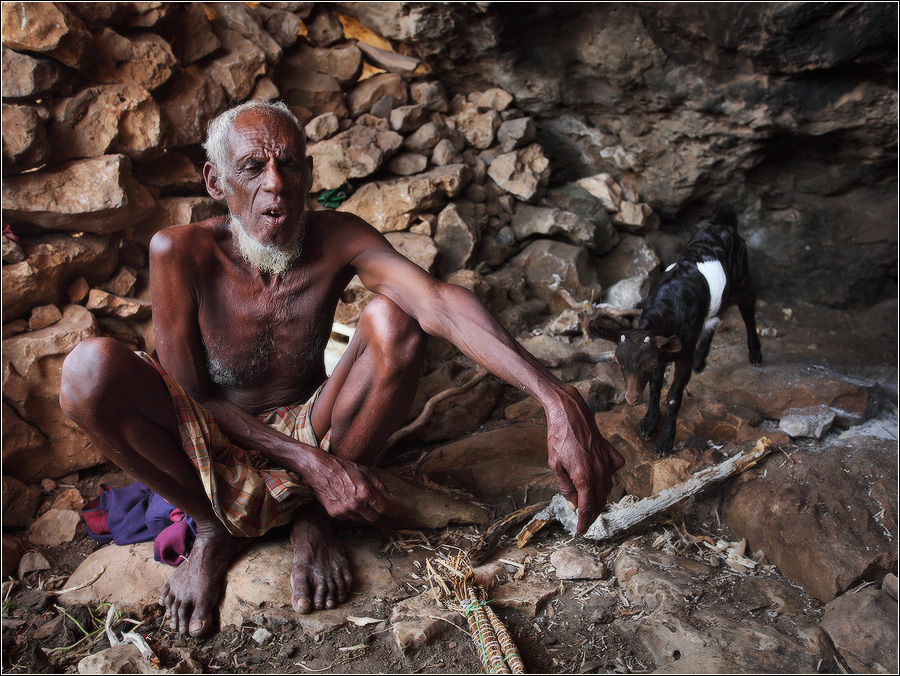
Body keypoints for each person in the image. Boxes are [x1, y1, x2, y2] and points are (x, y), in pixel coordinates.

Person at [60, 99, 625, 638]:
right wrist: (310, 464)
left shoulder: (339, 237)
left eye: (288, 166)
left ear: (307, 173)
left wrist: (557, 399)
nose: (274, 184)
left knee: (393, 319)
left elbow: (438, 302)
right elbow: (191, 403)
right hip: (219, 440)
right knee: (90, 369)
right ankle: (212, 528)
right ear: (216, 183)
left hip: (319, 425)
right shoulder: (180, 252)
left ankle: (316, 520)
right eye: (252, 168)